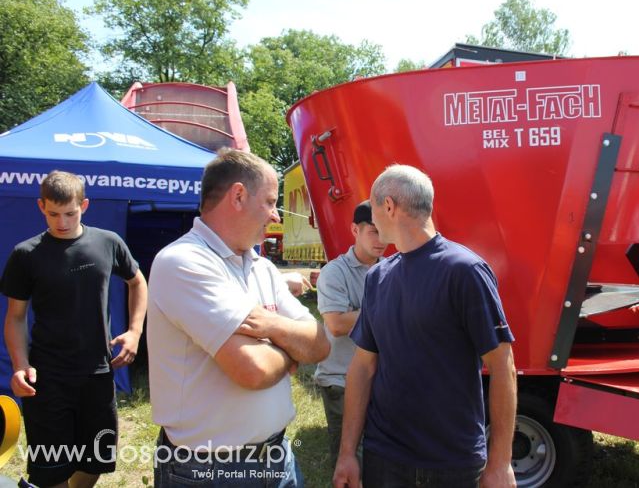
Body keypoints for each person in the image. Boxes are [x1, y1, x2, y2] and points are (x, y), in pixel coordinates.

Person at [147, 149, 330, 487]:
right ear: (239, 196)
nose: (276, 216)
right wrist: (291, 348)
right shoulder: (183, 262)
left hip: (278, 457)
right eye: (271, 202)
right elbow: (253, 370)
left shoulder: (261, 266)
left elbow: (320, 344)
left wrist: (272, 328)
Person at [333, 165, 518, 488]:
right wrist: (347, 452)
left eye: (374, 209)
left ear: (388, 206)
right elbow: (363, 367)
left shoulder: (465, 271)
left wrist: (500, 464)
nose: (372, 220)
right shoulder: (378, 277)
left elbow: (503, 366)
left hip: (451, 463)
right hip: (384, 457)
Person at [1, 170, 147, 488]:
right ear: (41, 206)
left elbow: (137, 281)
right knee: (50, 467)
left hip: (97, 373)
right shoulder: (26, 254)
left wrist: (135, 331)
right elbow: (14, 317)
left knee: (95, 459)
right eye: (54, 214)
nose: (62, 222)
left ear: (85, 205)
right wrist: (20, 364)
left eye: (70, 212)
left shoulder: (108, 243)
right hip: (47, 376)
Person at [314, 200, 386, 466]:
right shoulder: (334, 272)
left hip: (378, 378)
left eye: (385, 230)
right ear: (355, 230)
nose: (381, 239)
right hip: (341, 380)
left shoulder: (391, 268)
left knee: (378, 459)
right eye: (374, 231)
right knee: (349, 459)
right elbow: (336, 324)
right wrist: (387, 310)